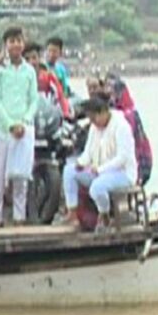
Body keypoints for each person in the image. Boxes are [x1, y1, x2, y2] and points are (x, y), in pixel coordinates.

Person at [0, 27, 39, 226]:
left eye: (18, 40)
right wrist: (9, 124)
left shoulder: (29, 71)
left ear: (23, 43)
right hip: (2, 129)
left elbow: (34, 99)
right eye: (11, 41)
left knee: (21, 176)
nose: (15, 44)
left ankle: (19, 217)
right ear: (5, 45)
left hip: (24, 130)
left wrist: (25, 120)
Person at [60, 97, 137, 230]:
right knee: (69, 171)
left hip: (122, 174)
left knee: (97, 187)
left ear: (103, 112)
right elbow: (88, 153)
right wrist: (81, 163)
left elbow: (122, 158)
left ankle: (105, 215)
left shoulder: (121, 126)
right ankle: (72, 213)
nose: (93, 122)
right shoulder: (94, 128)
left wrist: (101, 169)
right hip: (98, 170)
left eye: (94, 118)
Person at [104, 73, 153, 186]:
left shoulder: (128, 115)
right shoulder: (113, 111)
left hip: (139, 164)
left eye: (112, 94)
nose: (111, 97)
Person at [25, 42, 71, 118]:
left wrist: (65, 112)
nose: (31, 62)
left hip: (47, 118)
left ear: (39, 58)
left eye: (34, 58)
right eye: (27, 59)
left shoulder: (49, 77)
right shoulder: (19, 80)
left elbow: (60, 97)